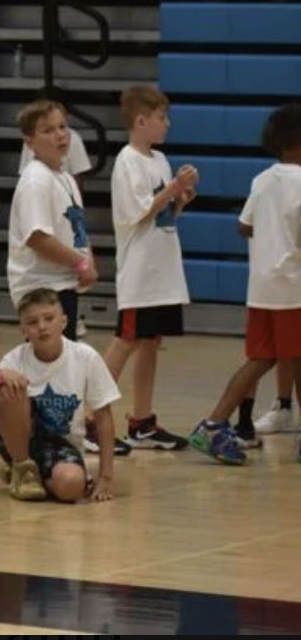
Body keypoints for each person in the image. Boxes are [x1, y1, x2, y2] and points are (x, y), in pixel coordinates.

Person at [189, 103, 301, 466]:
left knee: (262, 358)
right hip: (293, 286)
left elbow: (244, 225)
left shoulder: (262, 179)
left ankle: (214, 423)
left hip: (262, 288)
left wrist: (273, 232)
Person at [100, 86, 197, 454]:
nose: (167, 124)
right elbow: (136, 213)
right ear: (141, 121)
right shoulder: (127, 161)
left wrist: (182, 195)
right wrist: (172, 189)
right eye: (161, 118)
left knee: (151, 342)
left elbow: (164, 215)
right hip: (140, 273)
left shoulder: (159, 159)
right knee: (126, 340)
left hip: (163, 271)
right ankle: (94, 418)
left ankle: (142, 421)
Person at [0, 289, 120, 503]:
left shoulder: (86, 357)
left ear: (63, 321)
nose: (42, 326)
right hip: (18, 443)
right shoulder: (15, 359)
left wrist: (105, 477)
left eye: (49, 319)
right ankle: (22, 468)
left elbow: (104, 417)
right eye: (32, 322)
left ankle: (31, 478)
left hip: (61, 447)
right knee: (10, 387)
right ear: (23, 329)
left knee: (71, 487)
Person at [7, 100, 97, 342]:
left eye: (62, 127)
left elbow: (76, 226)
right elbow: (38, 237)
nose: (59, 135)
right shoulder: (36, 180)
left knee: (62, 364)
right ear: (30, 142)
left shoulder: (65, 178)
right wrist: (81, 263)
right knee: (47, 364)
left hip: (62, 284)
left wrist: (89, 260)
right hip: (41, 288)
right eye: (48, 130)